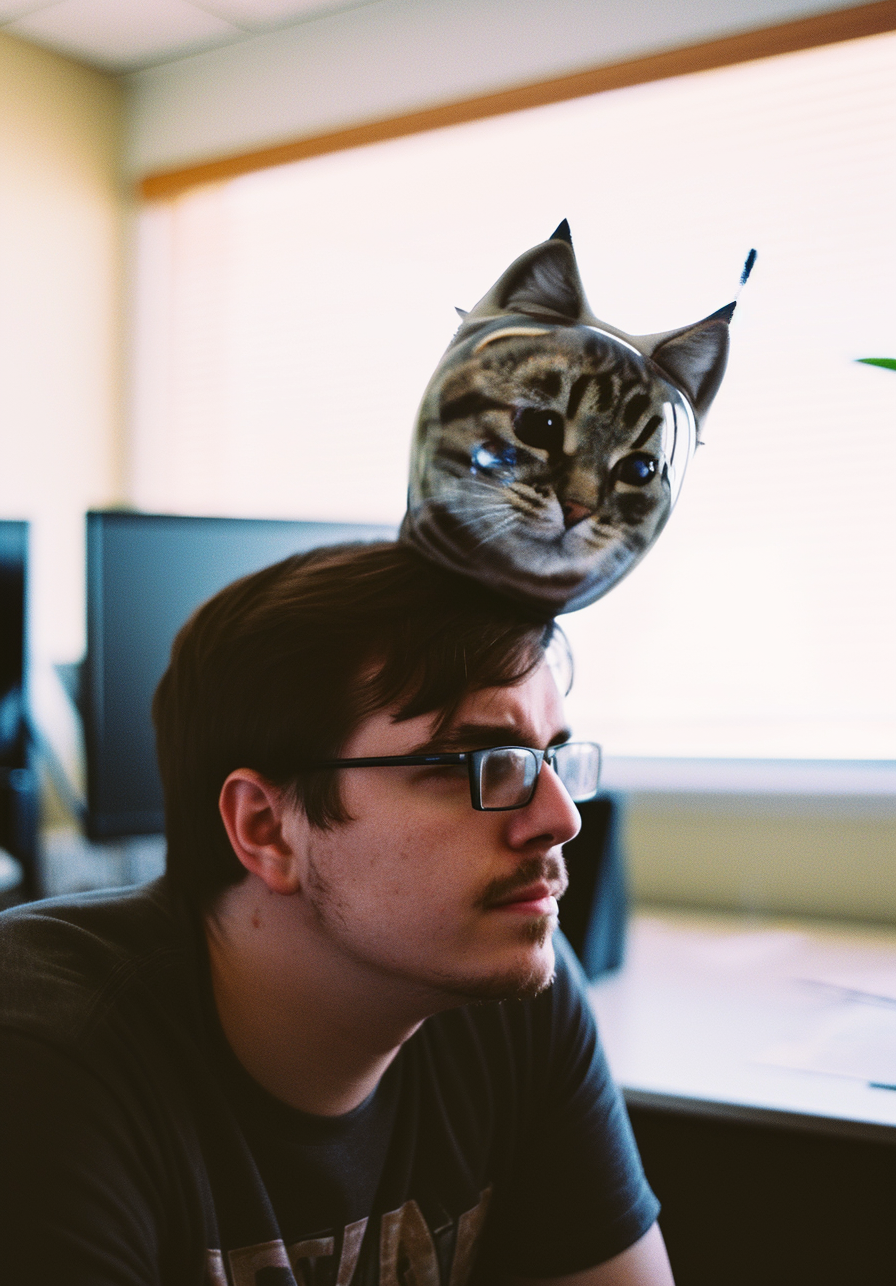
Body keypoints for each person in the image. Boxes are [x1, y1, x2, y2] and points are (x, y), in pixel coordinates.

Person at [0, 541, 673, 1285]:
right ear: (265, 828)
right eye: (477, 763)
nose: (559, 818)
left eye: (551, 759)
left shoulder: (506, 985)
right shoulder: (42, 1064)